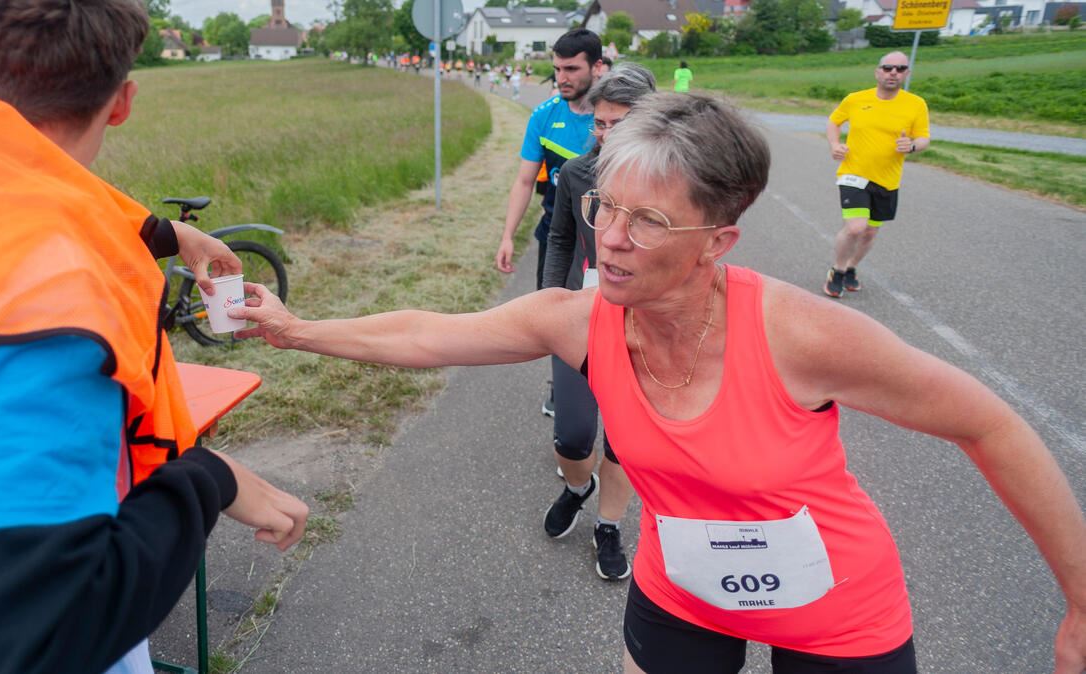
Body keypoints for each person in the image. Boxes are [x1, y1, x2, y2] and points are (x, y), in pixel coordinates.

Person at [229, 91, 1085, 674]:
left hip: (836, 604)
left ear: (718, 242)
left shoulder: (806, 335)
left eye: (650, 221)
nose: (613, 238)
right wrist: (295, 329)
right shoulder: (580, 318)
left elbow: (991, 426)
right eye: (607, 207)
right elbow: (426, 333)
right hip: (682, 589)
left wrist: (1079, 606)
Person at [0, 1, 309, 671]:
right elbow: (31, 639)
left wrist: (163, 233)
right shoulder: (48, 304)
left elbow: (17, 186)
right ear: (122, 103)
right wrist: (207, 478)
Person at [540, 62, 657, 581]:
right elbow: (560, 238)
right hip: (582, 315)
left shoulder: (670, 180)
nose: (605, 134)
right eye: (600, 123)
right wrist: (551, 301)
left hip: (646, 324)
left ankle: (608, 526)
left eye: (619, 124)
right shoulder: (577, 173)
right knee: (571, 435)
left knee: (625, 442)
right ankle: (575, 487)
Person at [493, 28, 602, 416]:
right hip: (557, 235)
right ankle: (564, 385)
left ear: (598, 67)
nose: (562, 78)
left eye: (572, 68)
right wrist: (507, 235)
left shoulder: (615, 117)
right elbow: (525, 180)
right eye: (557, 68)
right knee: (557, 314)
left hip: (607, 240)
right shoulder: (544, 115)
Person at [823, 51, 929, 298]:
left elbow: (924, 137)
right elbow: (833, 122)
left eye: (900, 69)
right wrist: (834, 145)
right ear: (877, 71)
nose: (894, 72)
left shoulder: (915, 104)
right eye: (888, 67)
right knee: (855, 228)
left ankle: (851, 267)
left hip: (888, 179)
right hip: (853, 174)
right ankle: (837, 271)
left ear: (907, 74)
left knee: (870, 232)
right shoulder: (856, 99)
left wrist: (912, 146)